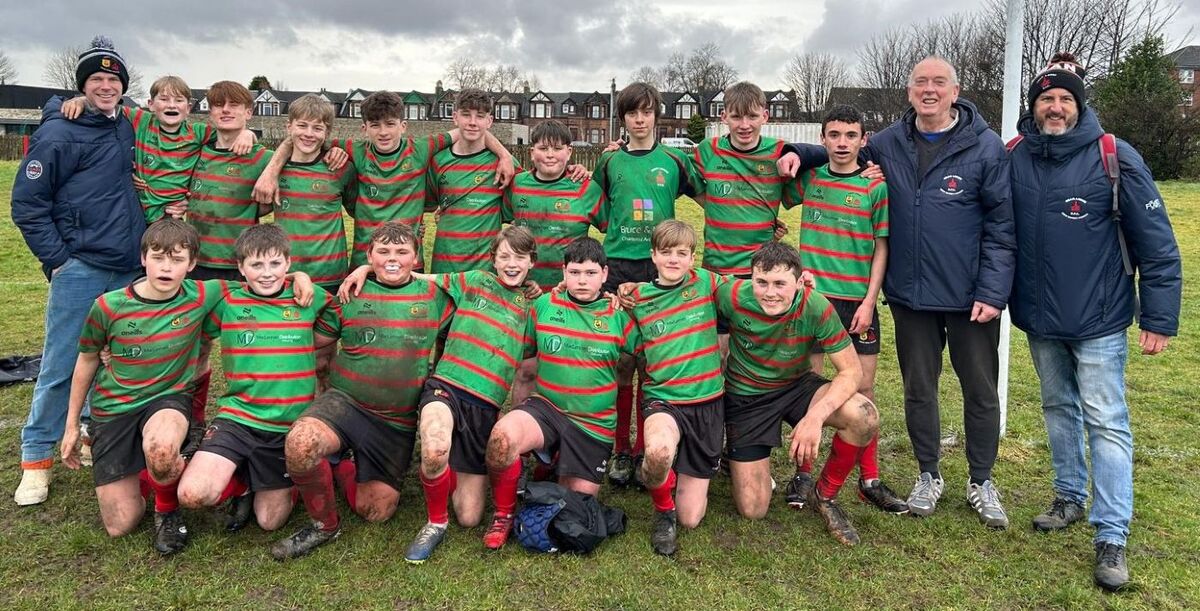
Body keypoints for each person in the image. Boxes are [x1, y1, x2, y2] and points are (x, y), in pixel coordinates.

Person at [779, 56, 1015, 528]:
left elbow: (1002, 224)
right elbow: (836, 152)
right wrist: (794, 151)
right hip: (911, 296)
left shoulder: (985, 146)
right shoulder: (889, 142)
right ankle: (928, 474)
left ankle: (981, 480)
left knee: (980, 390)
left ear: (955, 91)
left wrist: (993, 290)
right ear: (909, 92)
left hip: (969, 296)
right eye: (920, 82)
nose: (929, 90)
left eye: (939, 82)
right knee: (918, 389)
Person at [1009, 53, 1182, 591]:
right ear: (1033, 107)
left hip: (1101, 319)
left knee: (1106, 420)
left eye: (1065, 99)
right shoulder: (1014, 156)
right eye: (1046, 99)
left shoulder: (1113, 155)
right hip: (1040, 317)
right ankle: (1068, 495)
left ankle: (1111, 533)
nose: (1055, 107)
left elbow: (1157, 244)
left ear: (1080, 106)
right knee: (1057, 407)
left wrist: (1159, 316)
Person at [11, 36, 146, 506]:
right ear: (82, 86)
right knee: (61, 364)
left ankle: (90, 432)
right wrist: (58, 260)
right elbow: (28, 204)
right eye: (97, 79)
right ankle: (35, 459)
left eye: (113, 80)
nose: (106, 87)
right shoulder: (59, 132)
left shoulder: (126, 126)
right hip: (81, 267)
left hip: (128, 267)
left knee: (113, 361)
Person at [271, 222, 454, 560]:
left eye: (401, 252)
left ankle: (340, 463)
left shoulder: (436, 297)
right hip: (345, 404)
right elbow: (313, 343)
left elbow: (463, 324)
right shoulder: (349, 294)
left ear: (416, 258)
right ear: (369, 256)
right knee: (300, 444)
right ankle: (324, 525)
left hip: (395, 420)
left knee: (376, 511)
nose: (392, 258)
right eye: (383, 252)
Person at [60, 220, 224, 554]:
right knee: (121, 525)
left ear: (192, 264)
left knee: (162, 450)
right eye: (158, 257)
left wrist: (300, 277)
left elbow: (262, 280)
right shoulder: (108, 306)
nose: (166, 267)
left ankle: (167, 509)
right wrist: (71, 425)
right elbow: (87, 360)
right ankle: (153, 471)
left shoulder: (202, 294)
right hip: (114, 409)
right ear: (143, 258)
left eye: (177, 259)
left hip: (168, 400)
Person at [780, 105, 907, 515]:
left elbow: (882, 247)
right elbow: (774, 192)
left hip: (857, 303)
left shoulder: (874, 186)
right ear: (822, 139)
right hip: (813, 301)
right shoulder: (811, 178)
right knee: (812, 384)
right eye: (834, 135)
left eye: (851, 135)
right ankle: (803, 473)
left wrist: (870, 301)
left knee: (863, 388)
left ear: (863, 140)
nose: (841, 143)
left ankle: (869, 479)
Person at [391, 226, 539, 563]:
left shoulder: (533, 307)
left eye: (519, 258)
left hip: (484, 408)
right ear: (493, 260)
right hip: (446, 387)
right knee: (434, 448)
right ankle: (435, 523)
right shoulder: (473, 280)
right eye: (504, 257)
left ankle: (453, 466)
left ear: (532, 262)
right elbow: (418, 278)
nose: (511, 264)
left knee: (470, 516)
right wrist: (365, 269)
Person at [176, 224, 338, 533]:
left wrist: (301, 281)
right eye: (256, 265)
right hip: (239, 418)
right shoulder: (228, 301)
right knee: (192, 494)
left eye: (275, 263)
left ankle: (288, 478)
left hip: (287, 426)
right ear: (240, 267)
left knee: (269, 521)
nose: (266, 273)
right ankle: (243, 484)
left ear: (288, 263)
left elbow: (339, 316)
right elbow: (190, 328)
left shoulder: (308, 297)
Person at [718, 241, 879, 546]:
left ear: (799, 281)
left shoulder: (815, 305)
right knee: (753, 509)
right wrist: (630, 292)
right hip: (747, 396)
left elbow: (852, 371)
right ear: (750, 278)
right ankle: (733, 456)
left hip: (796, 386)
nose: (770, 292)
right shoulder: (732, 294)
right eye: (761, 282)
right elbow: (690, 285)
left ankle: (825, 495)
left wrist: (815, 417)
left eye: (780, 284)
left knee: (864, 415)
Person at [483, 237, 639, 550]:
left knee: (573, 508)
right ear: (563, 272)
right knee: (501, 439)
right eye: (575, 272)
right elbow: (522, 354)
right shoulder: (543, 306)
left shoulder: (618, 317)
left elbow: (650, 355)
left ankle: (553, 462)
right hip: (547, 411)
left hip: (592, 426)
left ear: (605, 274)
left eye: (591, 273)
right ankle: (503, 515)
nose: (582, 280)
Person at [257, 90, 515, 270]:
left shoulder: (421, 149)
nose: (383, 132)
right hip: (364, 262)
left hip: (409, 263)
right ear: (364, 129)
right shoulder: (356, 151)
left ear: (403, 126)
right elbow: (302, 139)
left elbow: (468, 129)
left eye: (390, 124)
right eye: (375, 125)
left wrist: (503, 154)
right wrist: (271, 172)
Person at [592, 82, 703, 488]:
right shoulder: (609, 161)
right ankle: (621, 449)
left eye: (647, 112)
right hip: (618, 266)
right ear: (622, 118)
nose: (640, 120)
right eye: (632, 113)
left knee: (652, 362)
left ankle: (645, 448)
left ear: (657, 115)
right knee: (623, 361)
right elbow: (594, 203)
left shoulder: (674, 159)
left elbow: (710, 198)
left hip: (661, 268)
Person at [617, 220, 725, 556]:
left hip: (707, 403)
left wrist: (801, 285)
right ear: (653, 255)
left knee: (691, 517)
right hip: (664, 401)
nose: (673, 259)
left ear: (693, 258)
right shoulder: (638, 299)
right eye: (666, 252)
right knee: (658, 453)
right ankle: (664, 513)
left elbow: (751, 294)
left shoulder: (708, 282)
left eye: (681, 253)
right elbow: (607, 321)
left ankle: (676, 473)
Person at [502, 120, 606, 404]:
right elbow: (496, 219)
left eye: (557, 149)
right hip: (526, 295)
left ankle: (564, 425)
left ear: (569, 152)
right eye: (543, 148)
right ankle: (521, 425)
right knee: (526, 370)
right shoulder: (517, 185)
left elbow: (612, 228)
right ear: (531, 151)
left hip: (570, 296)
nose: (550, 155)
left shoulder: (585, 188)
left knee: (567, 371)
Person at [60, 75, 256, 222]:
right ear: (151, 104)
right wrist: (82, 100)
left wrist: (247, 134)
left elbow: (227, 134)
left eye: (178, 100)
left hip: (171, 215)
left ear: (188, 108)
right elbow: (105, 106)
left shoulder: (198, 133)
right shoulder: (141, 120)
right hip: (136, 210)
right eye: (164, 99)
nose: (172, 105)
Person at [266, 94, 359, 292]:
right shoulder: (273, 167)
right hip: (286, 274)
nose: (309, 134)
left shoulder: (341, 168)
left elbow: (359, 211)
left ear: (327, 132)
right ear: (289, 126)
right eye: (302, 125)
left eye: (317, 128)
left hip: (331, 276)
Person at [427, 89, 511, 273]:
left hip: (485, 269)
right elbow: (428, 204)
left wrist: (572, 170)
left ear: (489, 121)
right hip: (444, 265)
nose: (473, 122)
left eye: (480, 116)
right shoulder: (438, 160)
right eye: (466, 115)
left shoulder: (503, 163)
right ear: (455, 117)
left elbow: (538, 182)